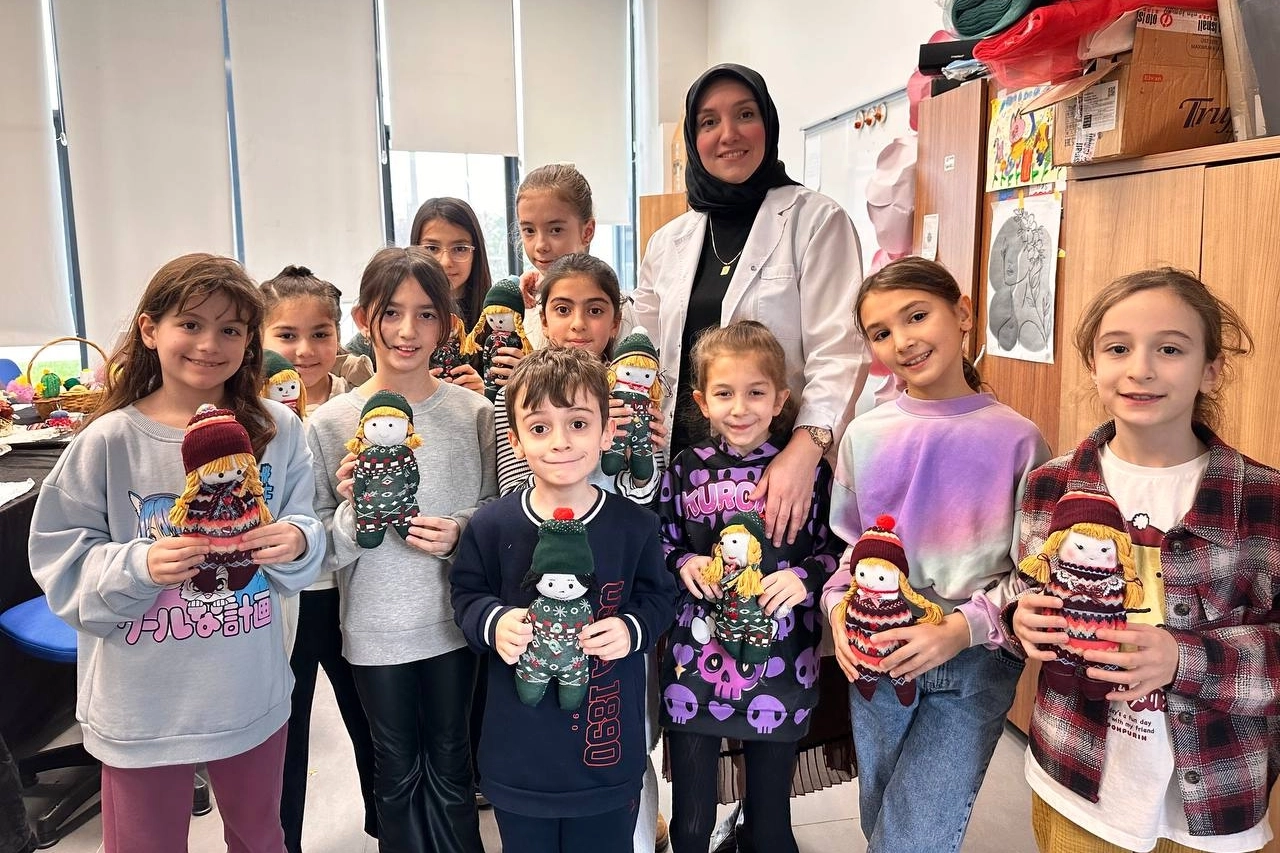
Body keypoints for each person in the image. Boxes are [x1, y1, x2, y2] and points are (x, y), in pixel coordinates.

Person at [28, 253, 325, 853]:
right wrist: (139, 565)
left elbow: (307, 523)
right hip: (143, 703)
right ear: (149, 329)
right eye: (190, 324)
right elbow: (60, 560)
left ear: (249, 339)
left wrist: (296, 540)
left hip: (248, 687)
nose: (210, 344)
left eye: (230, 329)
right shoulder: (108, 441)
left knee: (260, 836)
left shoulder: (278, 430)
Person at [1011, 268, 1278, 853]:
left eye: (1170, 349)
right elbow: (1026, 590)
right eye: (1118, 348)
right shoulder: (1049, 484)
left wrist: (1183, 659)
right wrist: (1019, 620)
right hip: (1073, 782)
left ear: (1211, 369)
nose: (1141, 369)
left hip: (1213, 804)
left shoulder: (1264, 497)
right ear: (1093, 364)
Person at [821, 257, 1050, 852]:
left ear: (963, 314)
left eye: (917, 316)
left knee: (913, 834)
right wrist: (838, 613)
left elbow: (1036, 571)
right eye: (881, 332)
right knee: (881, 818)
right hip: (877, 651)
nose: (902, 341)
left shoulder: (1019, 439)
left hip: (975, 659)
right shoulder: (864, 435)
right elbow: (848, 552)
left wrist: (961, 629)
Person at [630, 63, 870, 550]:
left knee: (769, 589)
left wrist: (802, 453)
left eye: (745, 114)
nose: (729, 134)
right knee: (687, 588)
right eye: (709, 121)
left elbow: (840, 354)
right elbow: (641, 346)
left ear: (768, 123)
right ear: (693, 138)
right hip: (680, 476)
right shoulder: (668, 241)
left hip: (777, 469)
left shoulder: (815, 220)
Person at [449, 346, 677, 853]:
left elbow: (660, 598)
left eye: (577, 423)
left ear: (607, 432)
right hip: (518, 757)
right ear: (515, 440)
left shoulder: (634, 526)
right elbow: (466, 594)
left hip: (606, 755)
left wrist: (631, 629)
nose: (560, 442)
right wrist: (494, 622)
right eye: (539, 427)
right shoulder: (491, 525)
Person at [306, 247, 495, 853]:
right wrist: (353, 513)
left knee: (453, 758)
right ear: (365, 318)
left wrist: (460, 532)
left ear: (447, 325)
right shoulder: (330, 423)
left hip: (453, 623)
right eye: (391, 312)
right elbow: (318, 549)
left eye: (425, 314)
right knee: (394, 766)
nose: (407, 330)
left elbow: (497, 512)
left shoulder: (474, 413)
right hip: (373, 626)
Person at [658, 320, 845, 853]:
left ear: (781, 398)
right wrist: (684, 562)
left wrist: (801, 578)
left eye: (756, 393)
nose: (739, 408)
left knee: (770, 826)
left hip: (781, 665)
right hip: (694, 666)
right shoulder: (685, 469)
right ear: (701, 401)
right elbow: (662, 541)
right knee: (691, 824)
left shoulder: (809, 474)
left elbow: (836, 552)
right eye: (724, 394)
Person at [260, 265, 379, 852]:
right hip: (288, 601)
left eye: (320, 333)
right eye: (287, 335)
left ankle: (389, 829)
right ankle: (284, 840)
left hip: (352, 593)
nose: (305, 350)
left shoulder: (361, 407)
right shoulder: (250, 414)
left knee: (371, 723)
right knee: (288, 733)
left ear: (340, 334)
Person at [494, 253, 666, 501]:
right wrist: (586, 432)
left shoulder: (640, 390)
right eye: (563, 310)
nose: (578, 323)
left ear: (615, 322)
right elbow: (512, 495)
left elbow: (654, 499)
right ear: (544, 321)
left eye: (595, 311)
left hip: (621, 523)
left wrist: (637, 454)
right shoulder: (515, 395)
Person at [487, 163, 598, 384]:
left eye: (555, 230)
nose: (541, 245)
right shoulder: (518, 303)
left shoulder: (612, 303)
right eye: (529, 230)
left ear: (587, 232)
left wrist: (532, 376)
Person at [408, 197, 491, 394]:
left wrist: (487, 394)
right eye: (432, 249)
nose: (445, 261)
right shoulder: (396, 316)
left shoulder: (497, 316)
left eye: (460, 249)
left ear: (476, 253)